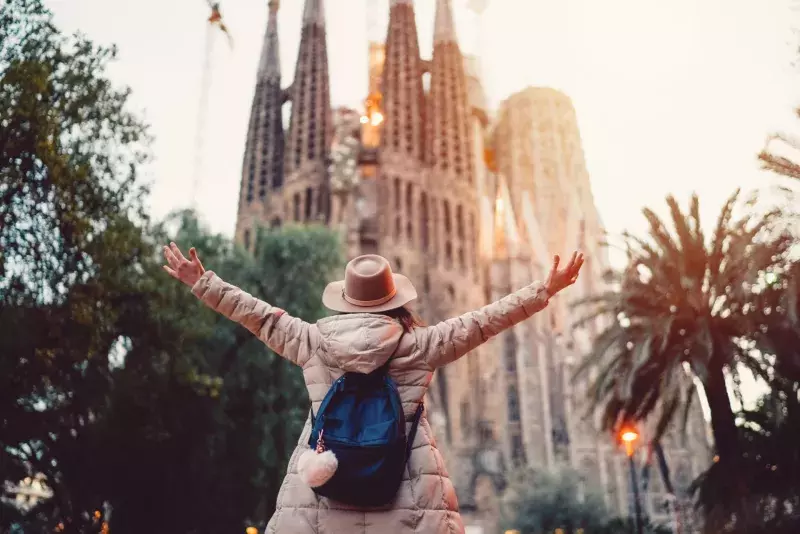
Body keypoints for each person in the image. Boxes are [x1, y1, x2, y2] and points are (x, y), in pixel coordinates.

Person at [162, 243, 584, 534]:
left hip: (322, 495)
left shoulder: (312, 342)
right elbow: (483, 321)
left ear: (344, 300)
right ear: (395, 302)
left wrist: (203, 282)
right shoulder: (420, 345)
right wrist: (544, 289)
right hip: (406, 492)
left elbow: (260, 317)